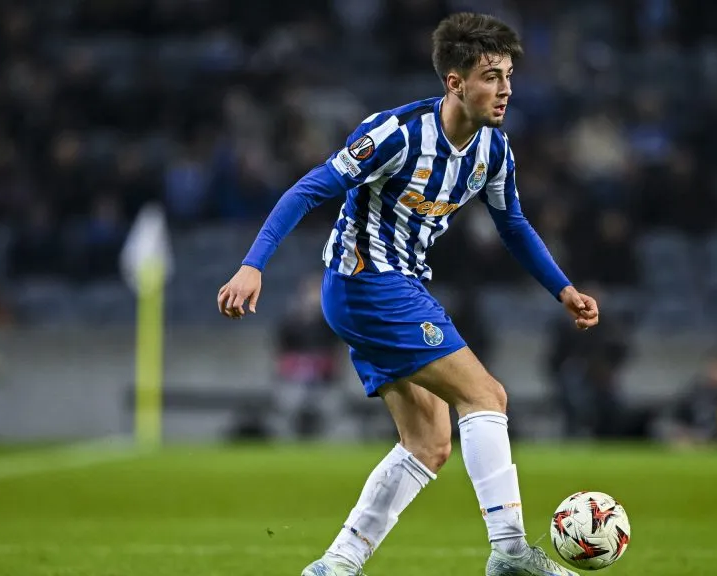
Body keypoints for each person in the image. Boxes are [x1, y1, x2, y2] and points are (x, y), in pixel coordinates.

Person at [217, 13, 599, 576]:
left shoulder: (493, 150)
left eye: (509, 75)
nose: (506, 89)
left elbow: (512, 224)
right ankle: (511, 551)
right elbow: (309, 188)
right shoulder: (395, 134)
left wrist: (562, 288)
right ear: (455, 82)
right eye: (492, 76)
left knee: (429, 442)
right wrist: (253, 264)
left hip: (390, 289)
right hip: (368, 283)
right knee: (486, 396)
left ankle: (337, 564)